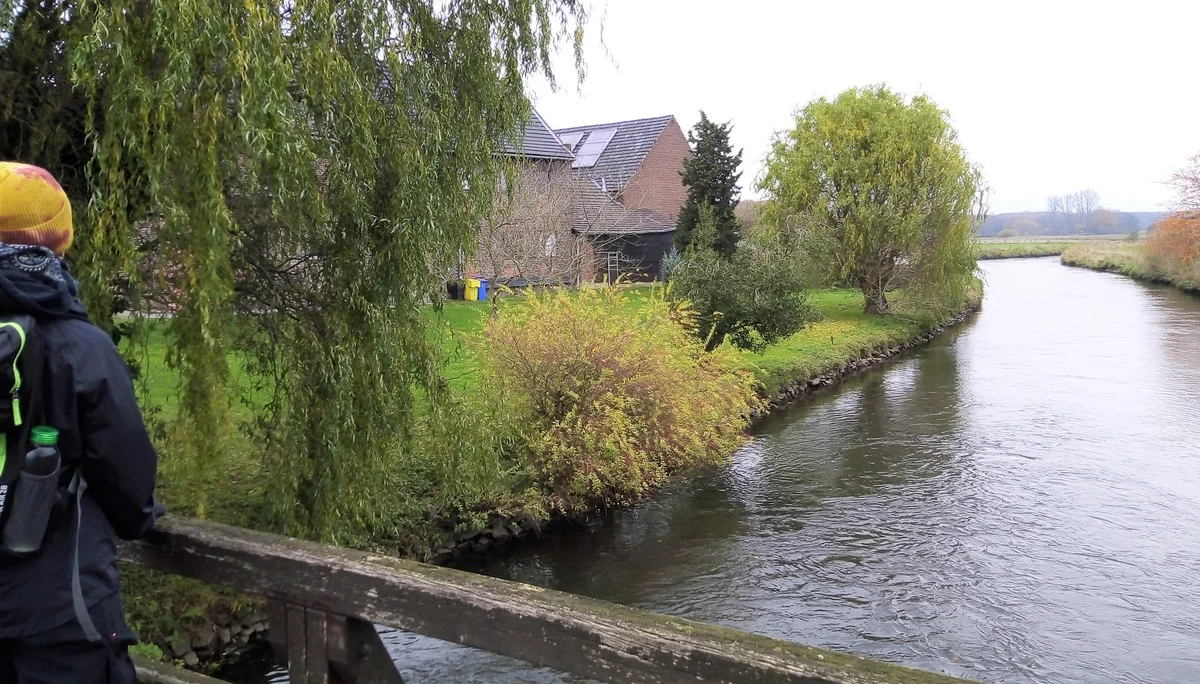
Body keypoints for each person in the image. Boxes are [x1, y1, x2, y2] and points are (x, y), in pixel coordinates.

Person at [0, 162, 160, 683]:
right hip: (59, 606)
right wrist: (139, 519)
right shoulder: (79, 346)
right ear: (57, 241)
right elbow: (127, 474)